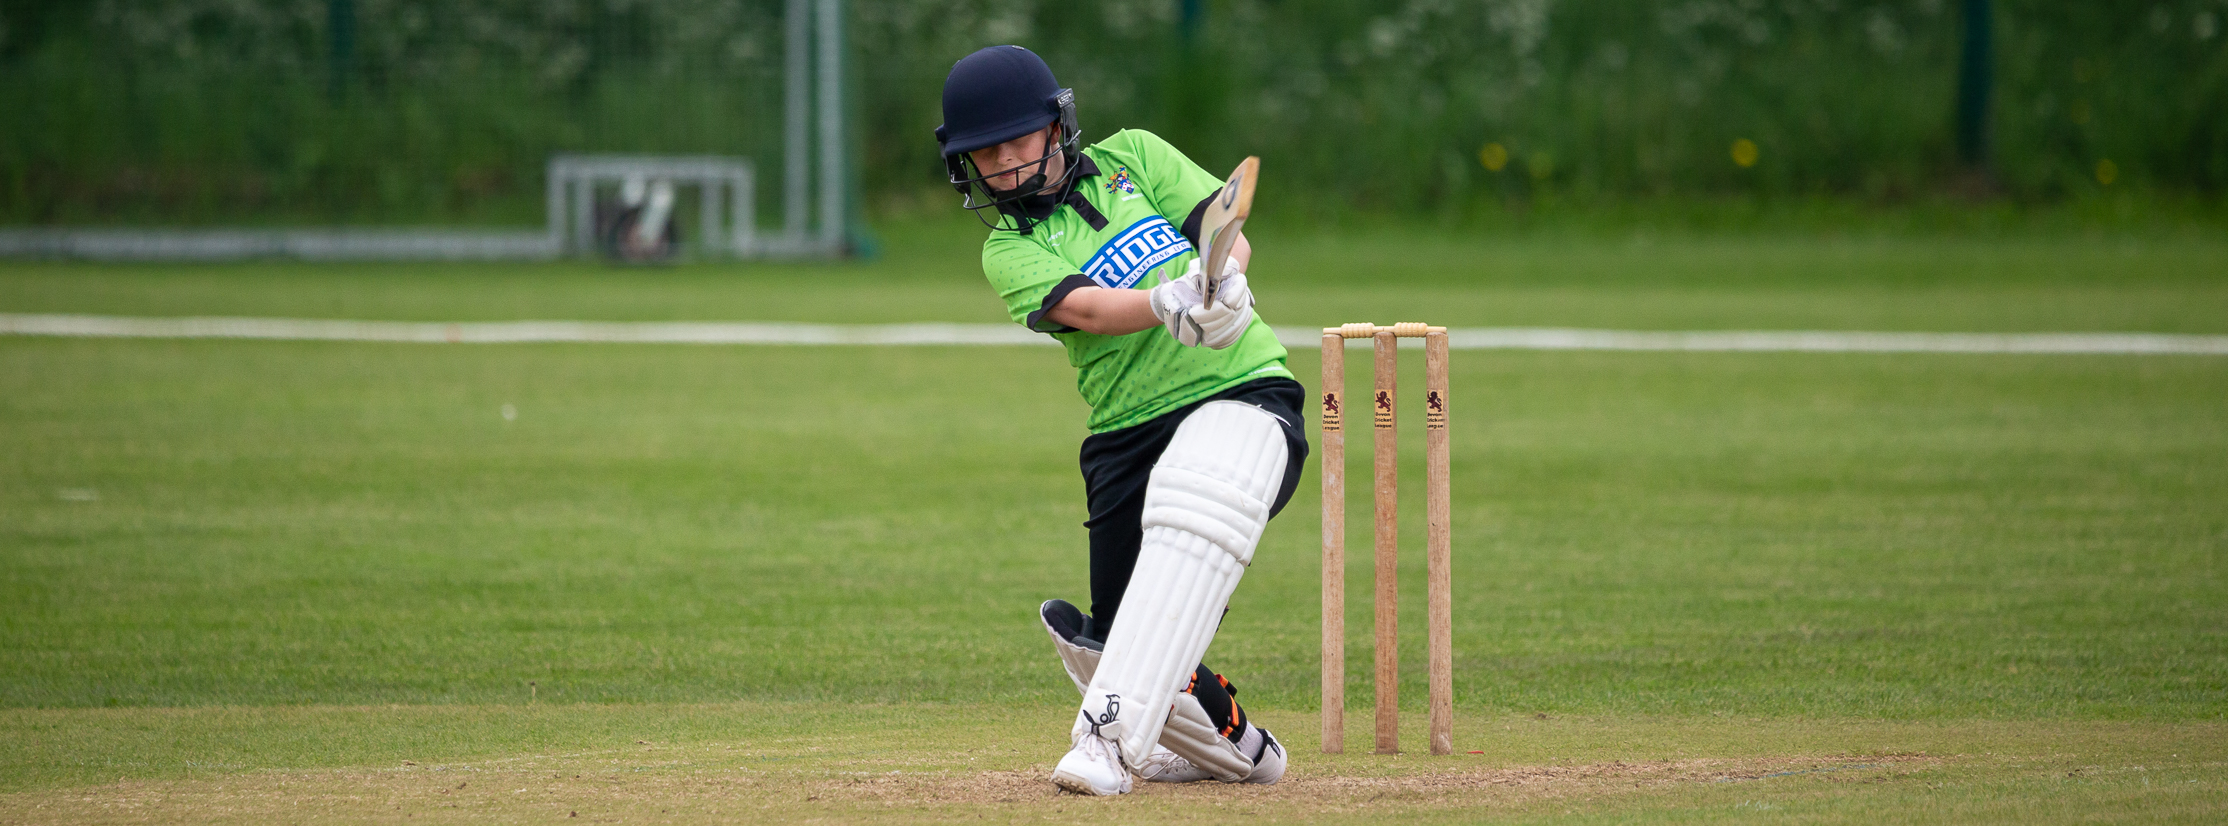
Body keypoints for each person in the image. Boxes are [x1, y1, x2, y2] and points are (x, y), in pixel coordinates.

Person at [936, 45, 1307, 795]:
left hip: (1242, 390)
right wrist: (1169, 304)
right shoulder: (1008, 250)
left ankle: (1103, 744)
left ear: (1057, 127)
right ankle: (1247, 752)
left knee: (1199, 503)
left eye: (1019, 142)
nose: (1006, 166)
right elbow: (1087, 309)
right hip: (1125, 433)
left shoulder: (1132, 156)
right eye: (987, 155)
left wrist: (1224, 284)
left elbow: (1221, 227)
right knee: (1120, 645)